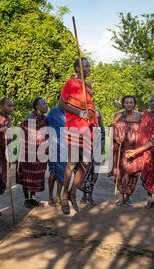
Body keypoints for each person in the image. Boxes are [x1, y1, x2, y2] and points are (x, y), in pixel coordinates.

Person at [58, 57, 98, 215]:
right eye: (85, 66)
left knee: (85, 164)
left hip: (88, 129)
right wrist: (81, 113)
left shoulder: (88, 86)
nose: (89, 68)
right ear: (77, 69)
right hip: (75, 127)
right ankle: (63, 196)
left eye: (89, 65)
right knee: (72, 162)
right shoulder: (70, 83)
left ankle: (72, 193)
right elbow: (61, 105)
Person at [110, 96, 146, 207]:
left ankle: (129, 195)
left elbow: (144, 131)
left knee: (133, 172)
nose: (129, 104)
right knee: (120, 172)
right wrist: (116, 137)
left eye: (131, 102)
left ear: (134, 104)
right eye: (126, 102)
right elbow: (112, 128)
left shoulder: (140, 116)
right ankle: (121, 196)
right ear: (123, 104)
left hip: (135, 149)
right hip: (120, 148)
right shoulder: (118, 115)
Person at [16, 97, 49, 209]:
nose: (46, 105)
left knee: (36, 175)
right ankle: (27, 200)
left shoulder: (45, 119)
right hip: (28, 151)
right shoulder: (30, 118)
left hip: (40, 152)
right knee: (27, 175)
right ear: (37, 106)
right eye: (43, 104)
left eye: (46, 103)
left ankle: (33, 199)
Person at [79, 109, 105, 206]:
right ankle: (84, 195)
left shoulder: (97, 112)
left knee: (94, 174)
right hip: (83, 146)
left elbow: (102, 130)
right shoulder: (81, 112)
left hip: (96, 146)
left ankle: (90, 195)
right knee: (83, 172)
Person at [140, 96, 154, 209]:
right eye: (151, 101)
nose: (152, 103)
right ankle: (149, 199)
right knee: (148, 173)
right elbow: (141, 130)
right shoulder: (146, 115)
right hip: (147, 150)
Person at [46, 105, 66, 207]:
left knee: (62, 172)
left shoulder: (71, 113)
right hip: (54, 145)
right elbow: (47, 129)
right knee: (53, 172)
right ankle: (50, 197)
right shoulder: (53, 112)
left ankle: (58, 196)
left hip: (65, 147)